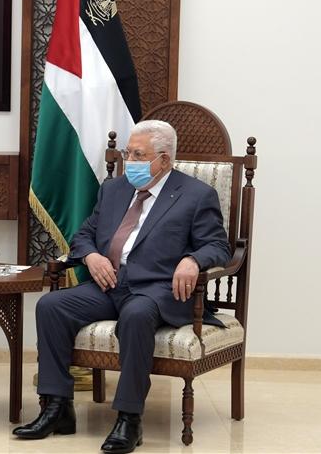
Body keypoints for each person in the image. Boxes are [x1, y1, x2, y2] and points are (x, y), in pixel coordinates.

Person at [13, 120, 230, 454]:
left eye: (138, 155)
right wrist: (92, 257)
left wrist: (193, 260)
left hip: (157, 289)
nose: (130, 161)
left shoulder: (196, 195)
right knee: (51, 306)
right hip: (109, 283)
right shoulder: (113, 189)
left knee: (136, 314)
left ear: (164, 160)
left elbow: (219, 247)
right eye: (128, 153)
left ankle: (129, 418)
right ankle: (57, 408)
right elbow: (84, 235)